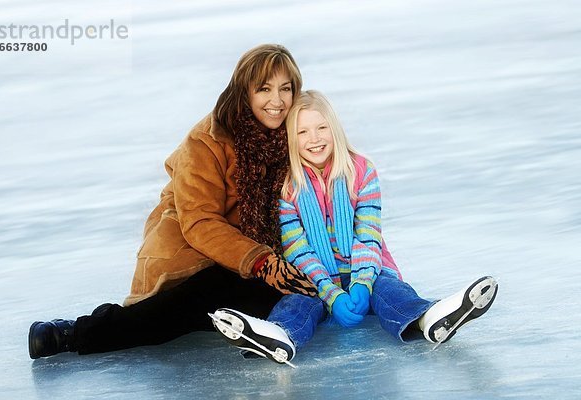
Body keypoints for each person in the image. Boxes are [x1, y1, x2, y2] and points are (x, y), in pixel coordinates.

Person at [27, 44, 325, 359]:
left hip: (250, 264)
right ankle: (73, 333)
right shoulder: (207, 140)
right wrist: (262, 262)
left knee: (286, 291)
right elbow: (200, 222)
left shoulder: (296, 134)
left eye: (285, 89)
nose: (276, 101)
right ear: (244, 92)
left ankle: (262, 333)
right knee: (192, 302)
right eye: (264, 89)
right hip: (194, 256)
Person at [210, 90, 499, 365]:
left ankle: (428, 317)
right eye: (302, 132)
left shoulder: (362, 172)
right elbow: (298, 251)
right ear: (290, 139)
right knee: (297, 303)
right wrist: (330, 293)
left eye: (321, 128)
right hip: (314, 278)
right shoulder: (287, 187)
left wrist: (362, 282)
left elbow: (368, 235)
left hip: (368, 269)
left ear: (334, 129)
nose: (314, 138)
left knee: (391, 292)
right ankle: (277, 336)